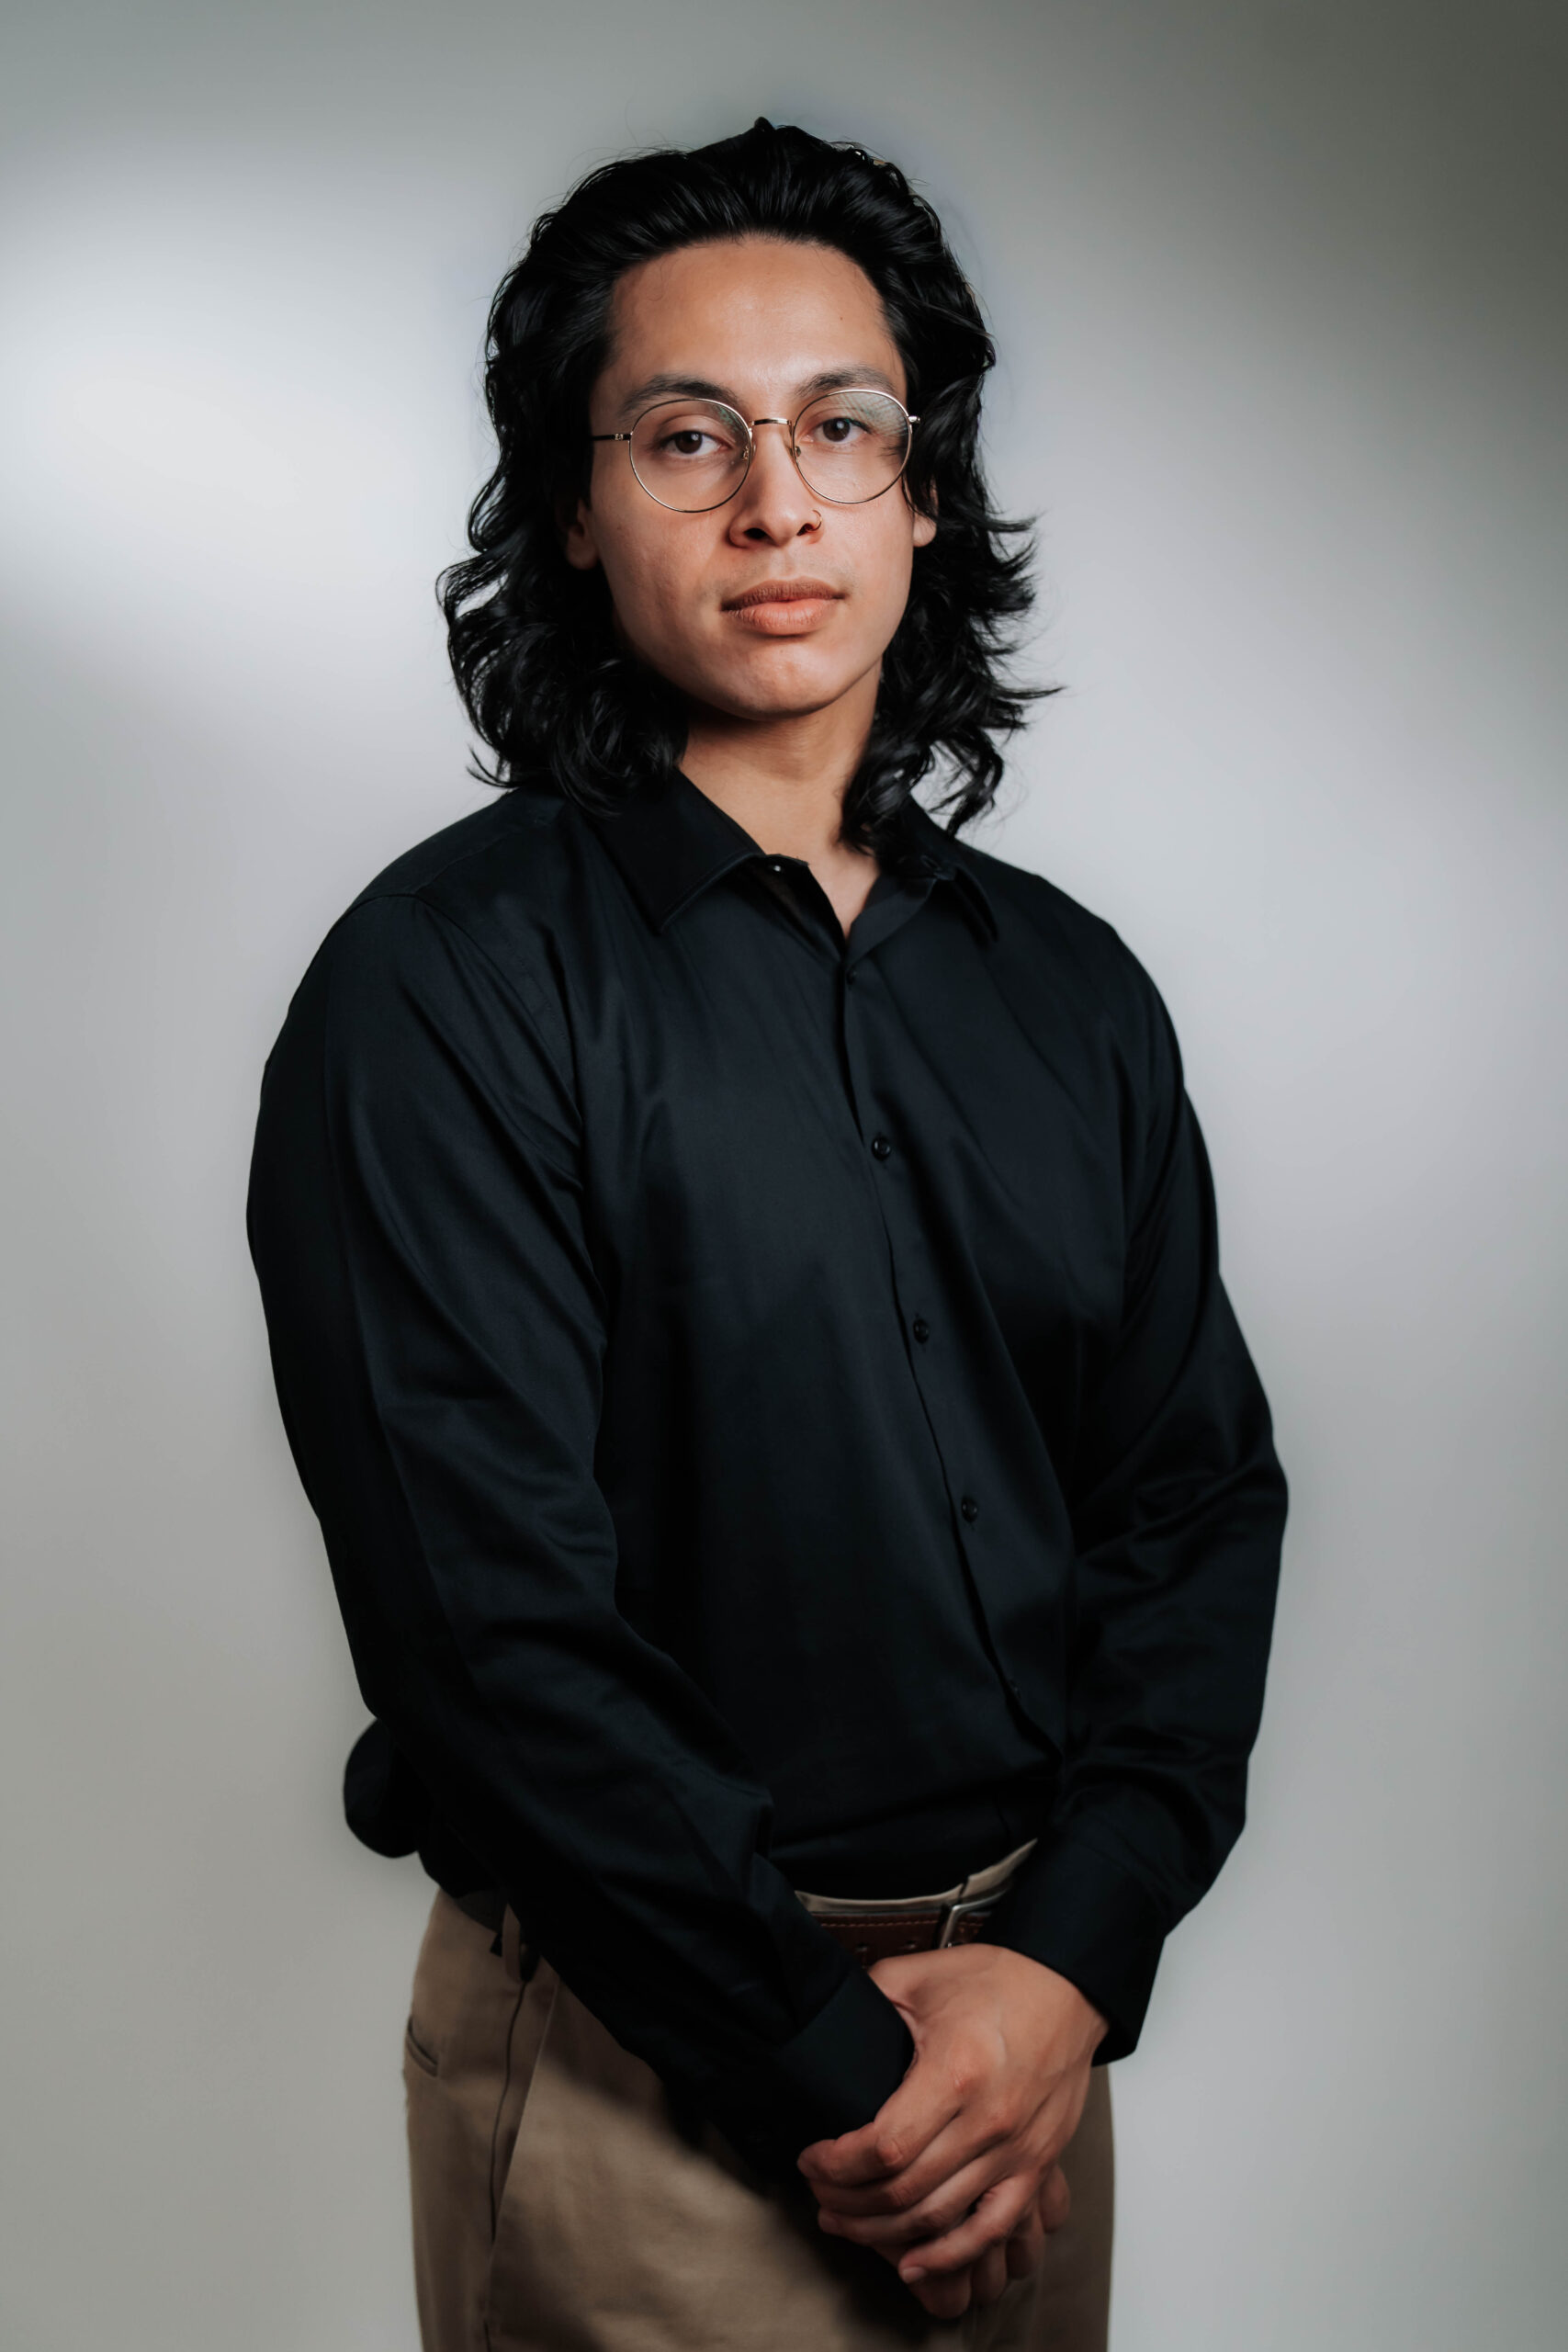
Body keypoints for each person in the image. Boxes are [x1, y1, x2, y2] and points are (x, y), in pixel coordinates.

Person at [247, 119, 1288, 2352]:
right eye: (683, 433)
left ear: (925, 491)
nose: (773, 496)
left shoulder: (1069, 988)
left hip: (1020, 2051)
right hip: (662, 2073)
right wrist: (851, 2083)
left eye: (841, 425)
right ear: (569, 504)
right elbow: (486, 1630)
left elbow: (1190, 1502)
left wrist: (1066, 1961)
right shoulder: (439, 987)